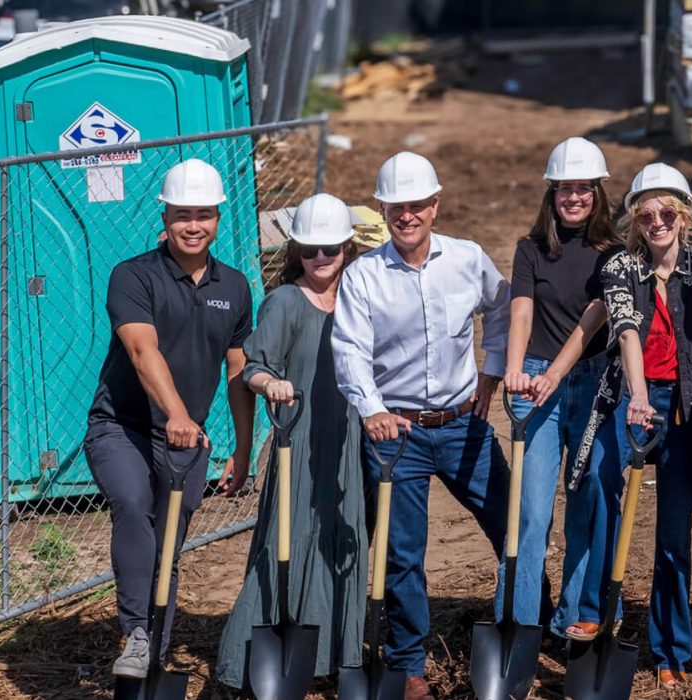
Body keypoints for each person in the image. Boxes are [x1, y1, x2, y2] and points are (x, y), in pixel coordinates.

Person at [332, 151, 512, 700]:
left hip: (463, 423)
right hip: (398, 435)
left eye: (417, 205)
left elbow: (502, 308)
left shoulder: (467, 259)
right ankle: (409, 663)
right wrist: (372, 411)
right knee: (401, 551)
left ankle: (530, 620)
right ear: (383, 210)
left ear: (436, 205)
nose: (406, 216)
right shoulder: (364, 275)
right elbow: (350, 351)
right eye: (395, 208)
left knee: (512, 525)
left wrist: (493, 371)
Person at [88, 158, 256, 679]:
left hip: (187, 441)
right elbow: (143, 352)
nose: (193, 225)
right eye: (182, 214)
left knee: (169, 546)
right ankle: (136, 634)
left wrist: (246, 450)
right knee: (134, 506)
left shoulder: (236, 286)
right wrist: (179, 413)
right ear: (165, 215)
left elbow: (238, 370)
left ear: (218, 218)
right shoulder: (133, 276)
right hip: (124, 427)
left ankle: (155, 654)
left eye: (203, 214)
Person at [575, 162, 692, 686]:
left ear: (683, 216)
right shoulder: (620, 268)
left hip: (685, 405)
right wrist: (639, 397)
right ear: (635, 222)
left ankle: (670, 652)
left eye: (667, 213)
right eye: (646, 216)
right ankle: (598, 611)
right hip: (630, 400)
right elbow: (625, 330)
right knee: (601, 490)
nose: (656, 223)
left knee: (674, 531)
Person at [217, 194, 368, 689]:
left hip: (354, 443)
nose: (321, 258)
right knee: (290, 540)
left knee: (345, 542)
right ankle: (247, 665)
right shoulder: (285, 302)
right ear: (297, 251)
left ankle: (328, 656)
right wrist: (271, 385)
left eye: (331, 248)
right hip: (300, 442)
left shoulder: (362, 294)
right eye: (310, 250)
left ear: (347, 246)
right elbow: (254, 368)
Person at [500, 136, 628, 642]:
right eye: (564, 190)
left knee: (589, 495)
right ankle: (519, 621)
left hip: (594, 381)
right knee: (530, 510)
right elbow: (522, 310)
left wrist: (554, 373)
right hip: (535, 382)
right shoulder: (530, 250)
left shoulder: (613, 254)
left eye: (584, 189)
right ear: (550, 195)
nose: (574, 198)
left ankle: (575, 613)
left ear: (598, 194)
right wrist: (515, 370)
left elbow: (595, 322)